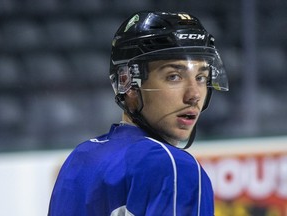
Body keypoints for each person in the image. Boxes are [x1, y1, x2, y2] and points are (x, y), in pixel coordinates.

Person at [48, 11, 229, 216]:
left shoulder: (81, 157)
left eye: (201, 77)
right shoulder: (174, 167)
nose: (194, 95)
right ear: (130, 86)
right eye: (174, 77)